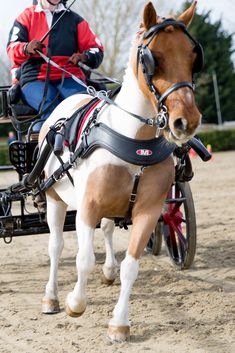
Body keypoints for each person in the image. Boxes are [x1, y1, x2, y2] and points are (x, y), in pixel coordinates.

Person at [7, 0, 104, 131]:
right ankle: (48, 146)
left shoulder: (75, 20)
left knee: (85, 104)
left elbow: (96, 49)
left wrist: (85, 57)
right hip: (35, 78)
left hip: (69, 75)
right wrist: (26, 48)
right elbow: (11, 48)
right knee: (49, 103)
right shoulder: (26, 17)